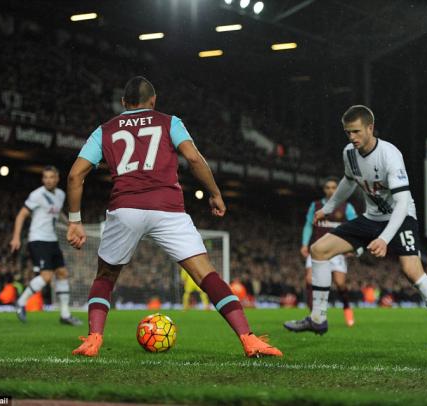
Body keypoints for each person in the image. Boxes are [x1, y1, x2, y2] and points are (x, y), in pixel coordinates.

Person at [66, 76, 282, 358]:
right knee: (206, 274)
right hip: (168, 209)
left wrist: (74, 220)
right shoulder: (169, 122)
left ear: (123, 103)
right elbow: (193, 158)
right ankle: (248, 338)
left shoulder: (105, 130)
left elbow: (74, 175)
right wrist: (215, 193)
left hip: (125, 208)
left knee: (106, 276)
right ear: (153, 101)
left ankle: (94, 339)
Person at [307, 105, 427, 347]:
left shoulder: (390, 155)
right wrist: (327, 207)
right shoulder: (349, 153)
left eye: (356, 131)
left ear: (370, 128)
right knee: (319, 250)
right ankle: (318, 318)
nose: (352, 137)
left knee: (412, 272)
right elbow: (348, 182)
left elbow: (401, 203)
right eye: (348, 132)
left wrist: (385, 239)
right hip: (371, 217)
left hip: (401, 217)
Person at [9, 166, 81, 326]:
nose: (48, 180)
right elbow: (21, 215)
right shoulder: (37, 195)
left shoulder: (61, 195)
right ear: (42, 179)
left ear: (57, 178)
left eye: (51, 177)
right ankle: (21, 302)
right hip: (38, 239)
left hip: (52, 240)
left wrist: (71, 225)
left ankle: (65, 314)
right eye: (45, 177)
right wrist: (16, 237)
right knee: (47, 276)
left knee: (62, 273)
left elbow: (56, 214)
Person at [284, 177, 357, 332]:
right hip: (317, 250)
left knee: (340, 284)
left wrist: (355, 247)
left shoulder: (346, 207)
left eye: (333, 187)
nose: (330, 190)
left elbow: (356, 226)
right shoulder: (315, 206)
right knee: (309, 279)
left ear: (338, 189)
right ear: (324, 189)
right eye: (327, 187)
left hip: (337, 251)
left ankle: (347, 307)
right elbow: (308, 225)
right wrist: (304, 244)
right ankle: (315, 316)